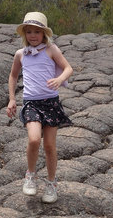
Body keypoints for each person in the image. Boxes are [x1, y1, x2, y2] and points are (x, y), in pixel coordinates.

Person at [7, 12, 73, 203]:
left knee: (50, 146)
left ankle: (51, 184)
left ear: (44, 34)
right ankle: (30, 175)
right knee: (34, 139)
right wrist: (12, 99)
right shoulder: (21, 54)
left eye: (37, 31)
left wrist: (60, 79)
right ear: (24, 34)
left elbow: (68, 68)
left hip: (51, 102)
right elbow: (13, 76)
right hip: (31, 103)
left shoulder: (51, 49)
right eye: (29, 32)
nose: (33, 35)